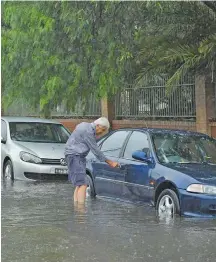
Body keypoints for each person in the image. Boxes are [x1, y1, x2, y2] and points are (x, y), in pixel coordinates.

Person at [64, 117, 119, 204]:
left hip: (74, 155)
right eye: (103, 129)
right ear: (98, 125)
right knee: (83, 184)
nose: (102, 132)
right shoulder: (88, 131)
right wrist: (110, 162)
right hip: (75, 156)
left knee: (79, 184)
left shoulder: (83, 125)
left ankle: (77, 209)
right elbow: (95, 150)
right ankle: (81, 211)